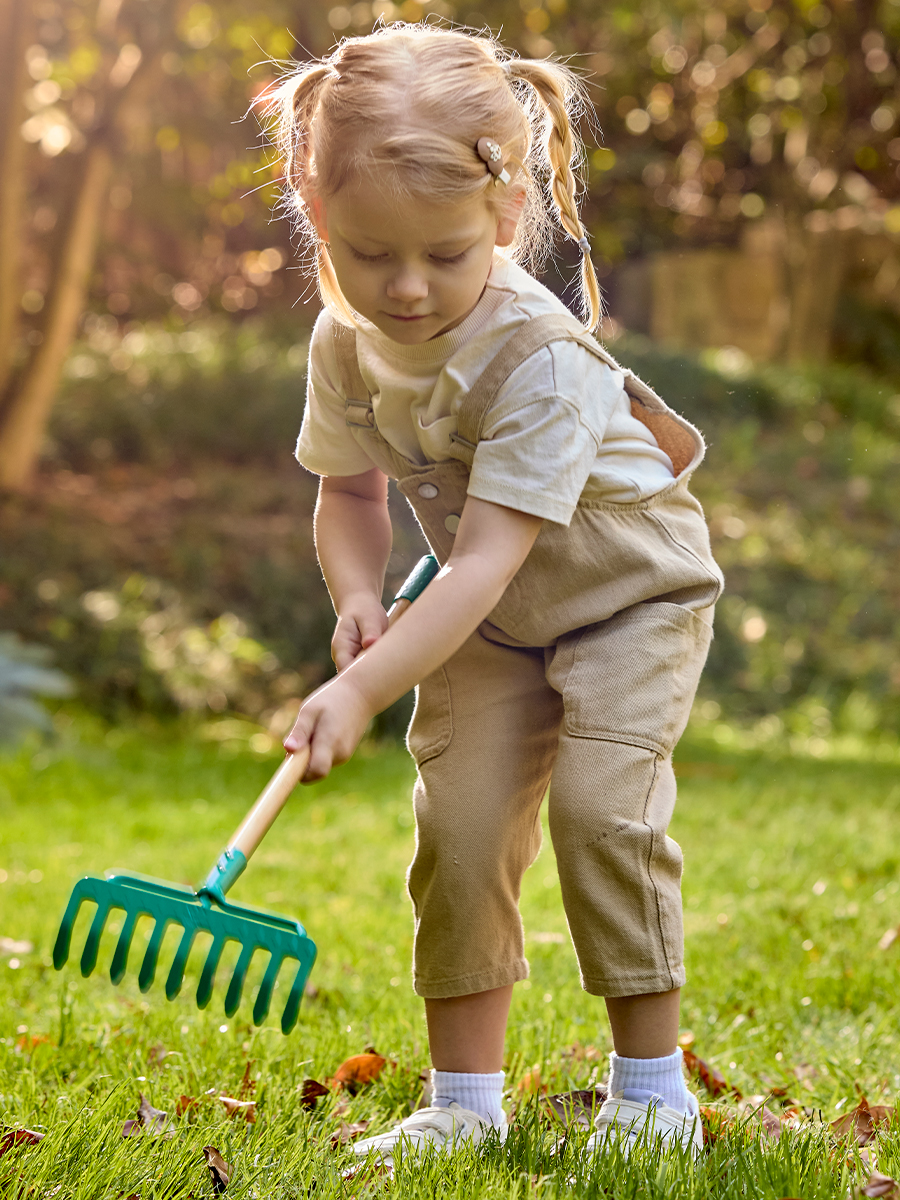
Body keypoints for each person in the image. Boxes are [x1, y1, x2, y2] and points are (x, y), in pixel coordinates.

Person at [274, 22, 723, 1167]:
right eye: (371, 255)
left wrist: (364, 687)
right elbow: (352, 492)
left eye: (442, 255)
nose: (406, 289)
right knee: (461, 829)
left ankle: (653, 1096)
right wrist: (358, 595)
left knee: (598, 814)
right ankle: (464, 1105)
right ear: (319, 218)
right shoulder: (347, 338)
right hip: (486, 616)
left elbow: (485, 558)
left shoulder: (539, 358)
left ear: (503, 219)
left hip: (628, 597)